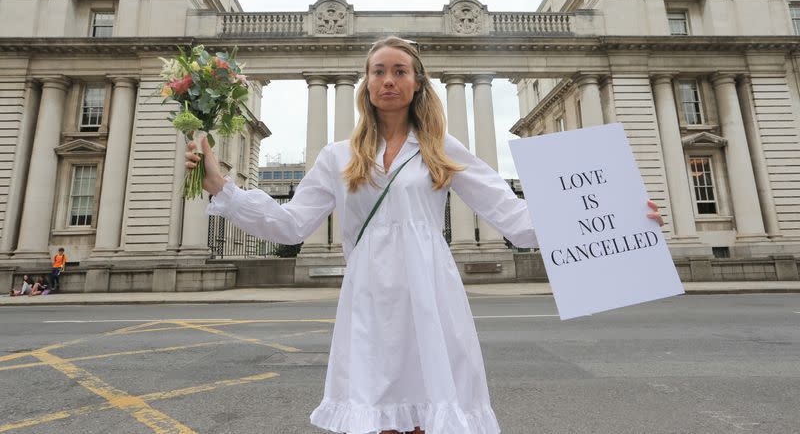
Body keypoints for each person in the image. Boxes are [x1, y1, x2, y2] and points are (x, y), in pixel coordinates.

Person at [186, 36, 665, 434]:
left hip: (431, 295)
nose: (388, 80)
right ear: (366, 83)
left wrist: (621, 214)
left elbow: (514, 217)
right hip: (370, 298)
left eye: (399, 71)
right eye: (378, 71)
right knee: (377, 415)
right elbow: (289, 224)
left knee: (430, 413)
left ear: (417, 83)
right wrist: (219, 186)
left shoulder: (442, 148)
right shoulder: (337, 156)